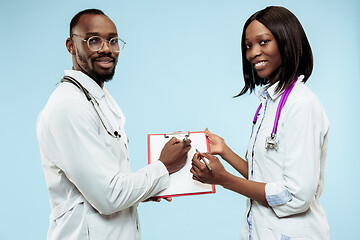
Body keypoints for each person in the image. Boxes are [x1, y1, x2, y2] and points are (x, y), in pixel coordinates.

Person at [36, 9, 191, 240]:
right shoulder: (69, 105)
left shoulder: (97, 99)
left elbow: (105, 184)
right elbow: (109, 197)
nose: (106, 48)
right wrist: (163, 166)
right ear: (71, 46)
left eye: (113, 40)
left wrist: (144, 190)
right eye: (93, 40)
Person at [191, 6, 330, 239]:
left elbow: (295, 196)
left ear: (286, 41)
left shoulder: (301, 105)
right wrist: (225, 152)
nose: (253, 53)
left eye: (263, 42)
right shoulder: (270, 104)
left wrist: (223, 179)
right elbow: (265, 178)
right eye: (248, 46)